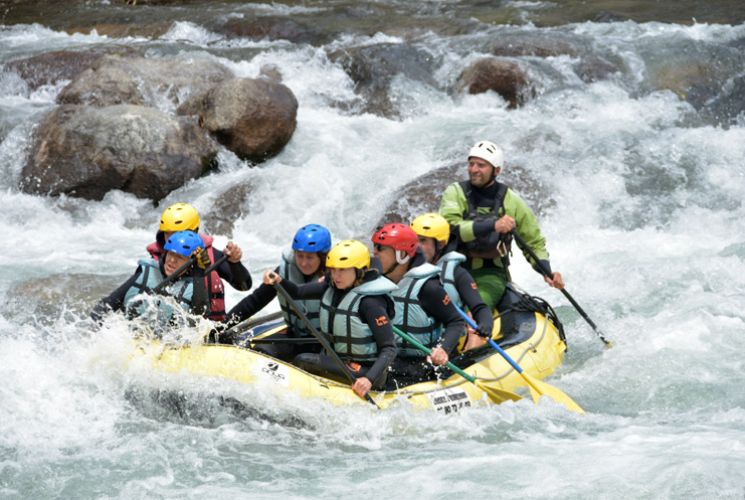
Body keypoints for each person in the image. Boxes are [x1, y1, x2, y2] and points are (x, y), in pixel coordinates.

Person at [262, 240, 397, 399]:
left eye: (342, 270)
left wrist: (369, 379)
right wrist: (279, 280)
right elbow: (297, 292)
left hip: (365, 371)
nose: (336, 275)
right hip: (339, 361)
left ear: (359, 271)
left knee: (303, 360)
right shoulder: (332, 288)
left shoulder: (370, 303)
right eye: (333, 270)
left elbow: (389, 348)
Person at [439, 140, 564, 311]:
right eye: (471, 164)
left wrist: (546, 272)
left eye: (481, 165)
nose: (474, 169)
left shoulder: (511, 201)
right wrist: (493, 225)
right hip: (452, 270)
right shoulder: (455, 192)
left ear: (496, 170)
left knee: (474, 312)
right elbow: (451, 230)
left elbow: (533, 242)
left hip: (490, 275)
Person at [371, 223, 465, 382]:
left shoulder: (428, 287)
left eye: (381, 248)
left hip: (418, 365)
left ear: (402, 254)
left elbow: (456, 321)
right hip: (386, 359)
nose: (374, 252)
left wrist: (443, 350)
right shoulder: (372, 282)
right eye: (374, 246)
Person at [225, 224, 332, 359]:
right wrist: (221, 326)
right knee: (259, 352)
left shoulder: (336, 277)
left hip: (326, 344)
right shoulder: (283, 272)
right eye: (300, 256)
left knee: (304, 360)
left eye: (310, 257)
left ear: (322, 257)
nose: (304, 263)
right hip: (296, 337)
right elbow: (254, 302)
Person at [146, 202, 251, 322]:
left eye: (178, 233)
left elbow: (244, 286)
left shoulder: (210, 255)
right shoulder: (156, 261)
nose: (173, 240)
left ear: (193, 232)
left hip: (208, 328)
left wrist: (234, 264)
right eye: (168, 233)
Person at [91, 230, 209, 328]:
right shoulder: (146, 271)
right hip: (132, 341)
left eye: (180, 257)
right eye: (171, 254)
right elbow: (107, 304)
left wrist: (199, 274)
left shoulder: (194, 287)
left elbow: (200, 317)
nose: (172, 261)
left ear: (190, 264)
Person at [410, 212, 493, 350]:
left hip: (447, 343)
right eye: (414, 240)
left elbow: (479, 307)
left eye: (423, 240)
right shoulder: (402, 268)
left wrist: (485, 325)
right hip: (415, 342)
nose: (417, 247)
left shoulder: (457, 273)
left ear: (441, 244)